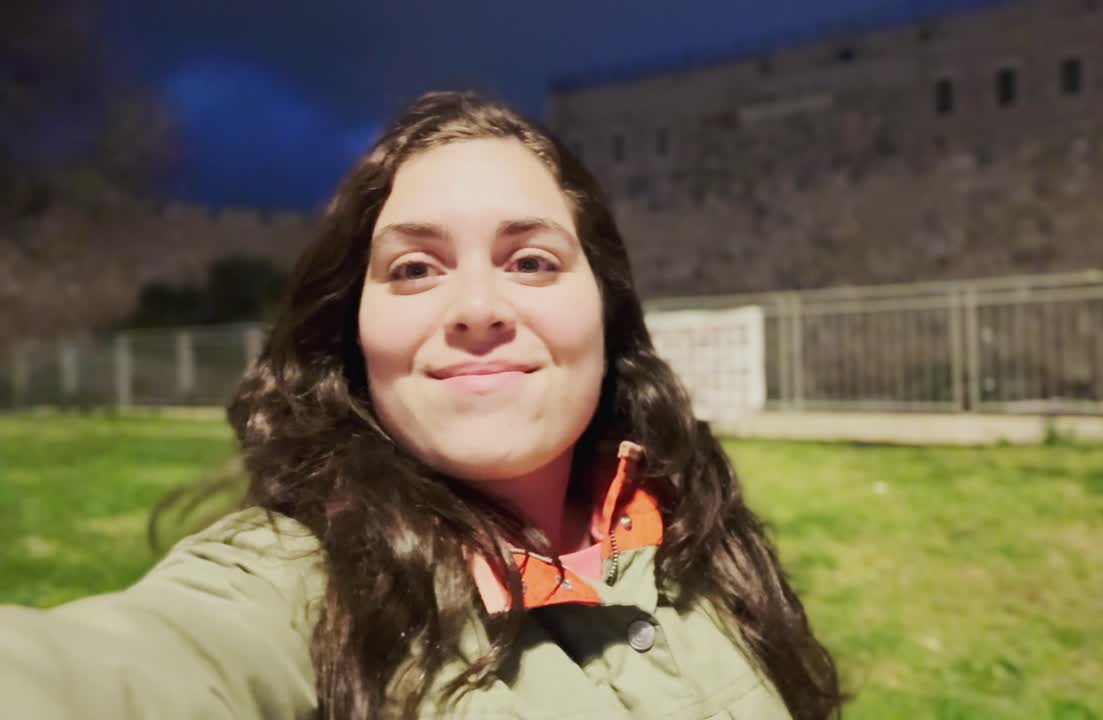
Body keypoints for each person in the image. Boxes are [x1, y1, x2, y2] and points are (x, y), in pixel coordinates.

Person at [0, 91, 842, 719]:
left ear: (606, 309)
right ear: (354, 335)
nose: (478, 305)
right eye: (413, 268)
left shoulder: (693, 531)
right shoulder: (302, 588)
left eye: (532, 261)